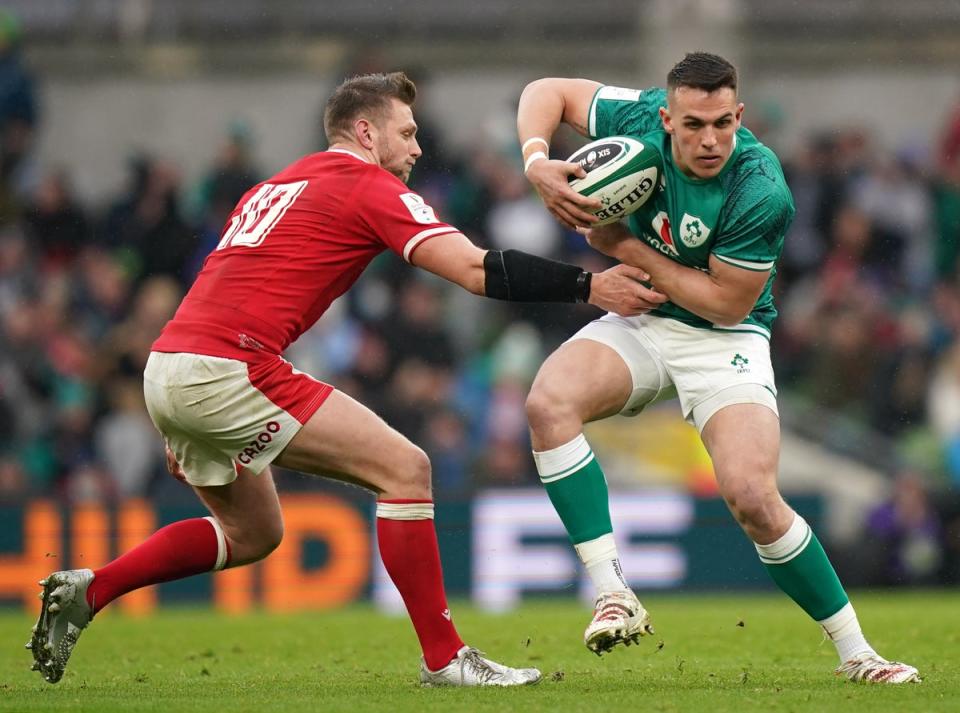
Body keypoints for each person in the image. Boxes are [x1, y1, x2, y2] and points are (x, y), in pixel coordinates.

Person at [27, 71, 658, 688]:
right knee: (406, 469)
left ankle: (91, 589)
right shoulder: (364, 184)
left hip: (173, 364)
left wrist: (180, 402)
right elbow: (472, 268)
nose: (417, 146)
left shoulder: (276, 184)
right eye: (406, 133)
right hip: (227, 367)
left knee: (253, 533)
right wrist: (589, 285)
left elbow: (225, 282)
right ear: (365, 131)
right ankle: (445, 659)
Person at [516, 52, 920, 684]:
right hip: (647, 319)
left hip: (724, 337)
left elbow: (726, 302)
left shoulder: (762, 187)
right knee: (548, 403)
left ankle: (858, 654)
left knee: (754, 497)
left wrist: (622, 247)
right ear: (665, 117)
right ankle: (613, 593)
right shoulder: (637, 117)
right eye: (694, 124)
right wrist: (538, 161)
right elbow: (548, 88)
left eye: (721, 125)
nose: (710, 140)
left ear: (739, 116)